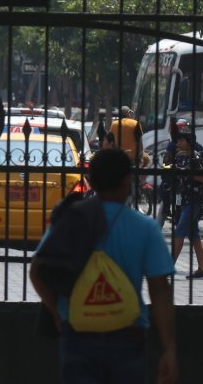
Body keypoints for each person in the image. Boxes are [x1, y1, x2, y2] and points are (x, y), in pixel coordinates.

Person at [30, 148, 178, 384]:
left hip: (78, 335)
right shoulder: (145, 228)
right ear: (126, 182)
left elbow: (36, 271)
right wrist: (169, 348)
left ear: (91, 180)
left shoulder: (71, 219)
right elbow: (160, 289)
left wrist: (58, 314)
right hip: (127, 337)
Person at [170, 132, 203, 279]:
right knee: (194, 235)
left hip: (194, 199)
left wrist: (187, 173)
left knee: (179, 231)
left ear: (188, 141)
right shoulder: (182, 156)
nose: (178, 143)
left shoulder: (196, 157)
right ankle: (202, 268)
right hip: (184, 199)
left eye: (181, 140)